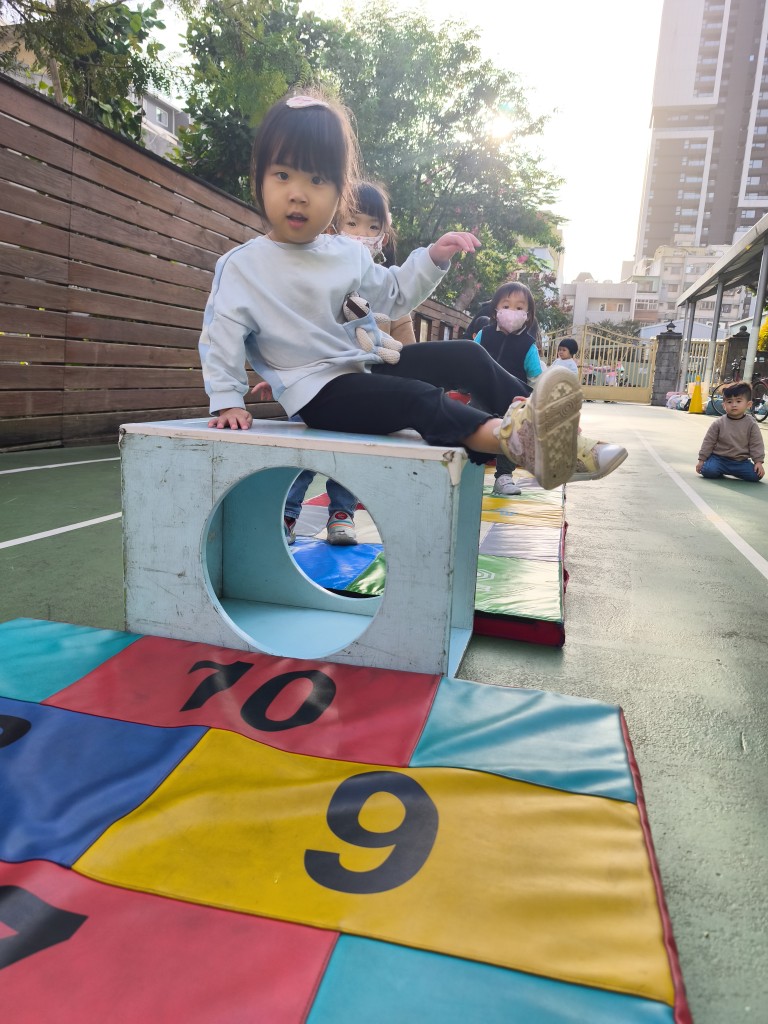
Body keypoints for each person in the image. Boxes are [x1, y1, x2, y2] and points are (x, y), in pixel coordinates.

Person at [200, 90, 614, 500]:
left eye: (318, 180)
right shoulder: (243, 266)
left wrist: (433, 258)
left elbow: (394, 294)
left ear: (340, 192)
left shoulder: (345, 253)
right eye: (282, 175)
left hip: (364, 368)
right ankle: (517, 441)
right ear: (259, 178)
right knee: (418, 400)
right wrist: (227, 400)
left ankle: (558, 430)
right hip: (319, 395)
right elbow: (223, 336)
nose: (298, 193)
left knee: (468, 355)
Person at [281, 180, 409, 546]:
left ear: (383, 235)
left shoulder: (387, 286)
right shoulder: (319, 276)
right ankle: (287, 514)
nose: (362, 234)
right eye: (352, 223)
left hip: (363, 387)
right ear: (334, 226)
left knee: (352, 453)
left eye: (372, 226)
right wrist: (280, 371)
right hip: (314, 384)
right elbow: (296, 330)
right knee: (303, 451)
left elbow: (405, 343)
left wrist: (404, 372)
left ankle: (342, 513)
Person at [475, 282, 544, 495]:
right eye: (506, 306)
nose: (511, 311)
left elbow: (536, 378)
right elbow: (469, 360)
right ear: (495, 309)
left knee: (511, 435)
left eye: (519, 307)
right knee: (470, 426)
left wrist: (534, 402)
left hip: (513, 401)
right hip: (482, 395)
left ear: (528, 314)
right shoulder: (484, 335)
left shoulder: (528, 345)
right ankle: (466, 469)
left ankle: (504, 476)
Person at [696, 382, 764, 482]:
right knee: (707, 471)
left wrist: (758, 462)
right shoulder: (719, 423)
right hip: (719, 459)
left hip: (740, 462)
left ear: (748, 404)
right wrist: (701, 460)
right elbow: (708, 442)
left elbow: (756, 443)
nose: (734, 405)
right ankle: (716, 468)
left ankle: (726, 470)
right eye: (729, 402)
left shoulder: (751, 424)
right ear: (724, 405)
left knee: (756, 475)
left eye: (738, 401)